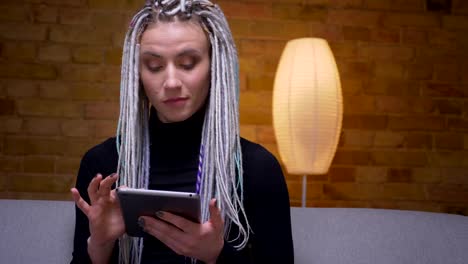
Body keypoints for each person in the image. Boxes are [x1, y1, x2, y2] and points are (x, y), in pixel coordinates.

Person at [70, 0, 294, 263]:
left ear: (214, 67)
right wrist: (99, 244)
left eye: (188, 63)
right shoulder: (104, 165)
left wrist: (217, 254)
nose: (172, 82)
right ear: (137, 74)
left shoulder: (256, 169)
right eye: (154, 66)